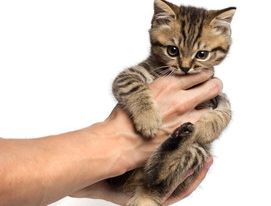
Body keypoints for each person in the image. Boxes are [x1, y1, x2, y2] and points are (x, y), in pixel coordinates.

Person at [0, 69, 222, 206]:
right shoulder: (147, 69)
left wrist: (95, 185)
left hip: (148, 178)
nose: (185, 63)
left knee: (195, 154)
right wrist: (118, 142)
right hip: (144, 166)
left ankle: (160, 168)